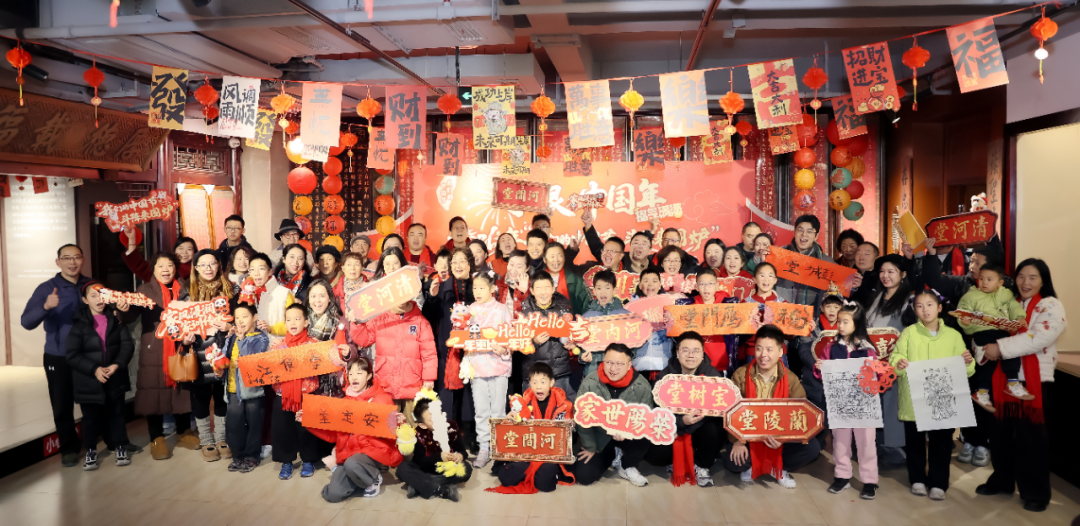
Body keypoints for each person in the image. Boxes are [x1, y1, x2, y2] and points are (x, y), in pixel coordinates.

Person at [975, 259, 1065, 513]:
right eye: (1021, 276)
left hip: (1033, 381)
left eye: (1033, 277)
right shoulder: (1005, 302)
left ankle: (1035, 492)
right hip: (1001, 378)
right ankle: (1002, 480)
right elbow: (984, 332)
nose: (1026, 282)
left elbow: (1038, 337)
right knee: (999, 434)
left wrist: (1000, 348)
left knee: (1031, 438)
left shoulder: (1050, 305)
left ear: (1043, 280)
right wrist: (984, 349)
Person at [889, 289, 974, 501]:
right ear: (914, 310)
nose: (925, 310)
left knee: (941, 443)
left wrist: (967, 362)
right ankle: (917, 479)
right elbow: (895, 357)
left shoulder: (953, 336)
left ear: (939, 308)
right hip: (914, 398)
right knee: (915, 443)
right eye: (919, 306)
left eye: (929, 305)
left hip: (942, 399)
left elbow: (967, 369)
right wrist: (899, 362)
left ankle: (938, 483)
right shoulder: (909, 333)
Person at [117, 252, 197, 460]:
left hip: (181, 346)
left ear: (175, 268)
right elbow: (130, 316)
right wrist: (123, 309)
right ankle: (156, 437)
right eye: (160, 266)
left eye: (170, 265)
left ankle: (184, 432)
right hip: (154, 348)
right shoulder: (144, 290)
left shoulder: (186, 289)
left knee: (181, 390)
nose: (165, 270)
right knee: (153, 392)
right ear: (153, 269)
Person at [21, 244, 95, 467]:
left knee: (91, 401)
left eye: (76, 257)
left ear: (83, 259)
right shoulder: (46, 288)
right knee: (62, 404)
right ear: (58, 262)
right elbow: (26, 322)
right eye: (66, 258)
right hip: (58, 356)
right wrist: (45, 307)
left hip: (88, 354)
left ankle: (93, 443)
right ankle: (69, 448)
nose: (72, 262)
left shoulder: (91, 285)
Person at [725, 324, 820, 489]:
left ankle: (778, 467)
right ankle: (751, 465)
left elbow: (800, 414)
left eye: (769, 349)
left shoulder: (790, 379)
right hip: (749, 436)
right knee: (733, 461)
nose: (763, 355)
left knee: (812, 448)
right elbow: (730, 411)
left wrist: (783, 438)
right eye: (759, 349)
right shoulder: (741, 375)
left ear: (780, 351)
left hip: (777, 435)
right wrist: (738, 441)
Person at [349, 249, 437, 416]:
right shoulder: (380, 316)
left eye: (395, 263)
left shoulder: (420, 321)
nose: (400, 298)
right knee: (388, 425)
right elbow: (364, 339)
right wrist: (356, 323)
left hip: (413, 385)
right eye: (387, 263)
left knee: (411, 427)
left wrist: (429, 378)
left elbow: (429, 353)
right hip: (385, 385)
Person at [311, 357, 406, 502]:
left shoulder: (381, 399)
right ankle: (359, 480)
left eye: (359, 373)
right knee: (333, 494)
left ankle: (373, 478)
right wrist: (310, 420)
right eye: (351, 373)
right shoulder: (344, 402)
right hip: (347, 455)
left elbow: (391, 434)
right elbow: (332, 435)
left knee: (353, 464)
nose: (354, 377)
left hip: (371, 453)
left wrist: (398, 424)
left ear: (368, 376)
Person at [65, 281, 135, 471]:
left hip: (114, 377)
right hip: (88, 381)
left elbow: (127, 345)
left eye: (102, 295)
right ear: (85, 300)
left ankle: (120, 447)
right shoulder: (79, 324)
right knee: (90, 418)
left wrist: (117, 364)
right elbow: (72, 354)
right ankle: (91, 451)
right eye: (93, 296)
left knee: (117, 414)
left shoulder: (116, 319)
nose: (99, 299)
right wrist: (94, 369)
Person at [817, 303, 880, 500]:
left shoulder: (868, 350)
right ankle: (842, 475)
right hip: (840, 403)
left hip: (863, 404)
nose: (840, 326)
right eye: (839, 322)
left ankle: (870, 480)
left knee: (866, 442)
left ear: (857, 323)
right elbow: (821, 373)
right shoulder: (831, 347)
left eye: (845, 322)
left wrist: (874, 373)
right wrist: (819, 368)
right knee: (840, 441)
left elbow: (876, 377)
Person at [575, 343, 656, 487]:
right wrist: (590, 446)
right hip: (601, 435)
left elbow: (647, 419)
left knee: (646, 434)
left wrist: (628, 430)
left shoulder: (642, 385)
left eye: (619, 364)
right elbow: (580, 416)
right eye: (609, 362)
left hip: (630, 436)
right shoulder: (590, 382)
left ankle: (628, 464)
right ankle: (612, 454)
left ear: (629, 365)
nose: (613, 368)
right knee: (584, 476)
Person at [863, 253, 915, 467]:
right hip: (875, 363)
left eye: (891, 271)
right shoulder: (878, 297)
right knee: (878, 404)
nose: (885, 276)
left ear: (903, 274)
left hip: (897, 362)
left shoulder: (909, 301)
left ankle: (896, 448)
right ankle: (879, 445)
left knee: (894, 405)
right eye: (882, 271)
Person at [490, 363, 575, 493]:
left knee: (545, 485)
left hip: (549, 453)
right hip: (528, 452)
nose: (538, 386)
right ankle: (531, 472)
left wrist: (570, 426)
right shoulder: (522, 404)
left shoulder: (564, 405)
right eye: (534, 382)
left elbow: (565, 437)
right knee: (506, 478)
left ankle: (537, 473)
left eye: (543, 382)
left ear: (551, 382)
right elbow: (515, 434)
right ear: (529, 383)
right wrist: (509, 420)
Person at [654, 332, 725, 488]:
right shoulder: (665, 376)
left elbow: (713, 413)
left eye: (696, 351)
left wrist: (683, 426)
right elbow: (658, 410)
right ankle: (674, 459)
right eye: (685, 350)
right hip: (675, 425)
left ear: (702, 353)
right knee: (655, 455)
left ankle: (701, 465)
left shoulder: (713, 376)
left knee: (714, 429)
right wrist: (680, 422)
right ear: (677, 352)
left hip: (699, 427)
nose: (691, 355)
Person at [958, 263, 1030, 409]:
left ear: (1000, 282)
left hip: (1002, 331)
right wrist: (965, 321)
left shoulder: (1005, 295)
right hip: (982, 332)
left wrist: (1019, 317)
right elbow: (963, 311)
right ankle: (982, 392)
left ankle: (1012, 382)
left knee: (1011, 350)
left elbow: (1014, 307)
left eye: (989, 279)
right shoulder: (971, 296)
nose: (984, 282)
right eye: (981, 279)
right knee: (987, 364)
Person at [270, 303, 329, 480]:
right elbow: (269, 371)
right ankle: (286, 461)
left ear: (306, 322)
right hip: (283, 395)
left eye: (297, 319)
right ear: (285, 323)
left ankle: (308, 460)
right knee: (283, 429)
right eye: (289, 320)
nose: (293, 323)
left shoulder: (314, 345)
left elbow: (323, 366)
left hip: (307, 394)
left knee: (307, 430)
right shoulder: (277, 346)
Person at [184, 249, 233, 461]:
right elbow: (177, 323)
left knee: (222, 396)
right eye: (203, 265)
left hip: (223, 350)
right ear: (196, 268)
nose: (208, 268)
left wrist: (229, 325)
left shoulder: (230, 290)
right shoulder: (187, 291)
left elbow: (241, 318)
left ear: (219, 264)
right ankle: (206, 440)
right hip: (198, 352)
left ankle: (221, 438)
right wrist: (184, 339)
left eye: (212, 263)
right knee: (201, 397)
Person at [424, 247, 475, 446]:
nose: (458, 265)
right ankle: (451, 441)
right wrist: (432, 297)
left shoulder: (478, 287)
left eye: (462, 261)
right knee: (448, 397)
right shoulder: (442, 287)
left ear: (470, 264)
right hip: (447, 352)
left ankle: (470, 438)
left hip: (473, 351)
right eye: (454, 262)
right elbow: (429, 318)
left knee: (470, 397)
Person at [463, 271, 513, 468]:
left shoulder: (502, 309)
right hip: (477, 367)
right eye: (475, 287)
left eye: (482, 287)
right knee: (481, 411)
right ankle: (484, 447)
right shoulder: (470, 310)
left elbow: (510, 336)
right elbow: (463, 336)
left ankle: (498, 447)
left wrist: (504, 349)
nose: (477, 291)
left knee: (498, 410)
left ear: (492, 289)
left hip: (499, 367)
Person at [216, 302, 271, 473]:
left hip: (253, 390)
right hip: (233, 389)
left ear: (255, 317)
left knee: (255, 424)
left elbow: (251, 357)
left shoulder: (261, 338)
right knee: (234, 424)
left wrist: (241, 339)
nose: (240, 321)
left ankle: (251, 457)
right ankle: (237, 456)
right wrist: (220, 370)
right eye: (237, 317)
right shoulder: (231, 337)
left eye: (244, 317)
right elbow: (224, 358)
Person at [395, 397, 468, 501]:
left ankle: (419, 485)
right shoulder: (419, 433)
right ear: (423, 425)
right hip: (424, 469)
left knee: (466, 468)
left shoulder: (452, 427)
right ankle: (442, 489)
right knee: (402, 468)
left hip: (446, 469)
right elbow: (420, 462)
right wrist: (439, 457)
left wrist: (460, 455)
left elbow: (463, 451)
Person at [521, 271, 576, 398]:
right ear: (532, 291)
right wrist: (533, 341)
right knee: (532, 409)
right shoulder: (525, 314)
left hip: (559, 372)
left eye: (546, 288)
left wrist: (573, 343)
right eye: (539, 288)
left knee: (562, 407)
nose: (543, 292)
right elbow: (518, 345)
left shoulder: (564, 310)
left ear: (553, 289)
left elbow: (575, 334)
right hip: (534, 375)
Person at [798, 293, 843, 447]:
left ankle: (821, 443)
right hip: (815, 379)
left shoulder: (846, 327)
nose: (832, 310)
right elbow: (803, 350)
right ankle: (810, 445)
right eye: (828, 306)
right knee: (814, 412)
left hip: (836, 380)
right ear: (822, 308)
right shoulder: (812, 326)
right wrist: (815, 364)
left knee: (830, 415)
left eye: (836, 307)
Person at [580, 270, 631, 378]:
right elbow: (581, 344)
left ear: (614, 290)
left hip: (617, 371)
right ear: (594, 291)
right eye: (599, 288)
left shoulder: (625, 316)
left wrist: (628, 358)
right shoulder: (586, 317)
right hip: (593, 370)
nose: (603, 292)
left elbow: (634, 343)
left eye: (607, 288)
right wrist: (582, 356)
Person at [581, 210, 660, 274]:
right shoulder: (617, 259)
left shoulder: (649, 262)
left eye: (644, 244)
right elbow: (596, 247)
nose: (639, 246)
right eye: (636, 243)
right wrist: (588, 224)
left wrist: (652, 232)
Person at [632, 268, 678, 376]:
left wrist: (671, 323)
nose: (650, 284)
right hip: (638, 364)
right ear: (640, 285)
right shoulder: (631, 308)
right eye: (646, 280)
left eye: (654, 281)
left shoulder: (669, 305)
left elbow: (677, 336)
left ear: (659, 285)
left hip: (664, 363)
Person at [120, 225, 196, 282]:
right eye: (181, 248)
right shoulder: (163, 265)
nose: (184, 252)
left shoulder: (199, 268)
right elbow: (140, 266)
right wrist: (132, 239)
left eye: (189, 249)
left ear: (194, 252)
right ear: (174, 251)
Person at [542, 242, 591, 315]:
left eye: (560, 256)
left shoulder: (576, 280)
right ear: (544, 259)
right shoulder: (537, 281)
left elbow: (587, 306)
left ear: (564, 258)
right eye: (552, 256)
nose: (556, 260)